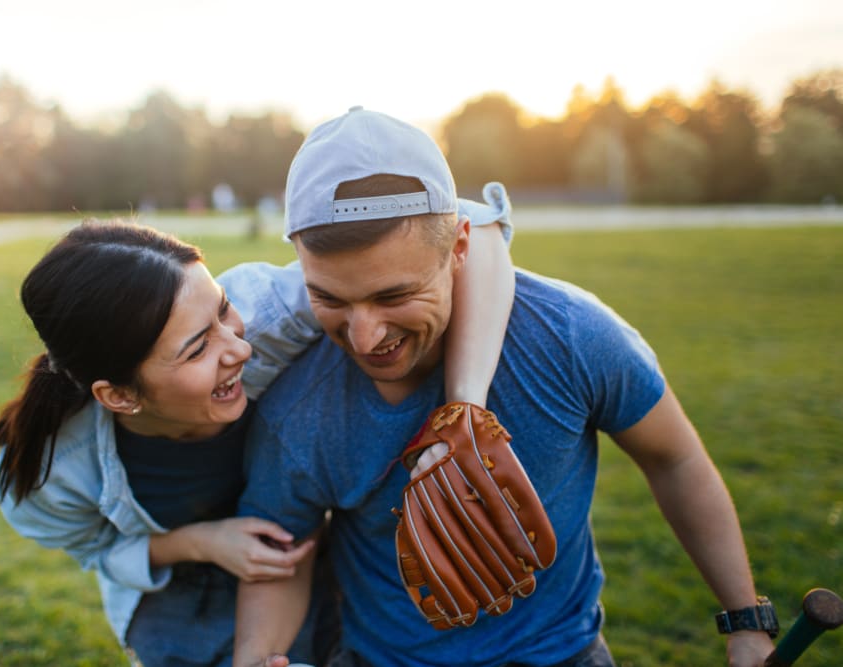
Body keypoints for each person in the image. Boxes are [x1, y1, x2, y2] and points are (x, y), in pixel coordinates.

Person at [232, 107, 777, 667]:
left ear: (460, 248)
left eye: (394, 296)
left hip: (565, 654)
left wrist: (746, 620)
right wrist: (255, 657)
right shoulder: (299, 405)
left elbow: (674, 459)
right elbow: (281, 557)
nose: (365, 337)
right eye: (330, 299)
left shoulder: (569, 336)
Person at [0, 182, 515, 666]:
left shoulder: (265, 317)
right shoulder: (48, 476)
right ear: (118, 395)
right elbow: (97, 551)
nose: (237, 347)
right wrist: (201, 542)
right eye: (196, 350)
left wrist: (463, 410)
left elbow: (476, 228)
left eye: (222, 310)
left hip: (301, 554)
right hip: (177, 592)